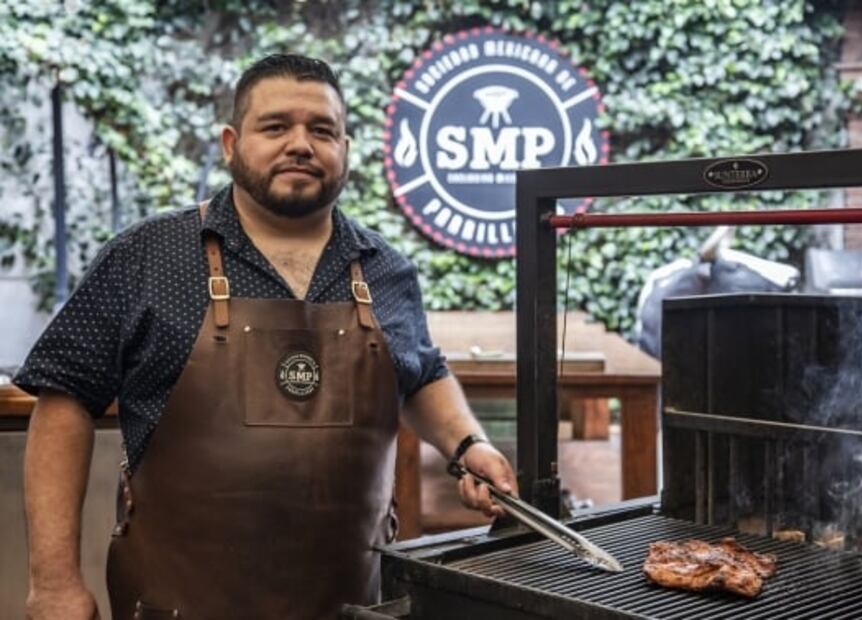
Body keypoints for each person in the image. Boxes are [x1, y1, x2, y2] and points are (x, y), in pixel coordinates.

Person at [17, 53, 517, 620]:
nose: (300, 144)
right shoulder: (147, 256)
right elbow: (64, 400)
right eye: (276, 127)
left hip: (353, 605)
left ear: (345, 149)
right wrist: (53, 583)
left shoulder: (386, 270)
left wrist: (469, 446)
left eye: (321, 130)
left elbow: (421, 373)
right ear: (231, 144)